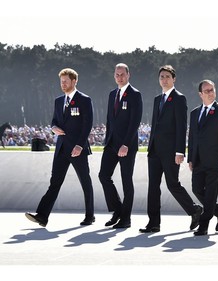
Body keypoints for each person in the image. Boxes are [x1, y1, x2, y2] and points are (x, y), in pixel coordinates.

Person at [25, 68, 95, 227]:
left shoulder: (84, 100)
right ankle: (42, 216)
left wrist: (79, 145)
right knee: (55, 182)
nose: (62, 84)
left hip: (78, 149)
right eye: (61, 81)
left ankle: (90, 216)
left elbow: (87, 124)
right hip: (62, 148)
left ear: (74, 81)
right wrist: (53, 128)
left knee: (85, 182)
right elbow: (54, 121)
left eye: (65, 81)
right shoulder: (58, 101)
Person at [139, 65, 202, 233]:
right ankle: (153, 223)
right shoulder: (156, 100)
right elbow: (155, 125)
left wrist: (180, 151)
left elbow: (181, 126)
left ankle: (194, 210)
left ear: (174, 79)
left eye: (167, 76)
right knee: (153, 187)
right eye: (161, 77)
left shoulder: (179, 99)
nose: (164, 79)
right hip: (154, 151)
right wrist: (150, 146)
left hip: (171, 151)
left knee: (172, 184)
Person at [98, 63, 143, 229]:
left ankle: (126, 219)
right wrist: (107, 140)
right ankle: (118, 210)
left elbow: (134, 122)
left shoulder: (135, 95)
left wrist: (125, 144)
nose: (119, 77)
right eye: (117, 74)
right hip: (111, 144)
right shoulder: (112, 94)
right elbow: (110, 119)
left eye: (122, 74)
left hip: (127, 145)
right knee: (103, 176)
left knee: (126, 181)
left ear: (128, 75)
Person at [187, 79, 218, 236]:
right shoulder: (194, 113)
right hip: (198, 159)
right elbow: (192, 137)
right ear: (200, 94)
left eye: (212, 89)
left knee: (211, 192)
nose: (210, 93)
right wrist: (190, 158)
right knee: (196, 188)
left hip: (216, 159)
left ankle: (203, 225)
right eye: (206, 91)